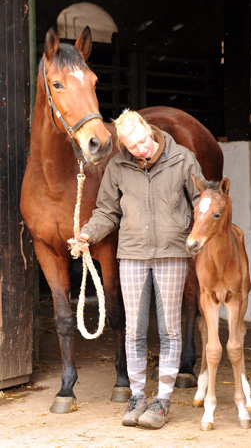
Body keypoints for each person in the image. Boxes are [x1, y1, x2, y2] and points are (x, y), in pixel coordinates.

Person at [79, 109, 206, 429]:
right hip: (133, 255)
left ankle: (162, 400)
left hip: (172, 255)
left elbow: (202, 201)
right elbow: (107, 212)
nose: (142, 149)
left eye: (143, 142)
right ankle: (138, 396)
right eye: (133, 146)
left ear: (149, 131)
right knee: (134, 329)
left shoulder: (183, 159)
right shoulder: (117, 167)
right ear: (123, 145)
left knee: (169, 329)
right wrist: (86, 234)